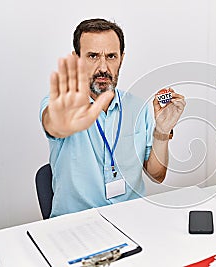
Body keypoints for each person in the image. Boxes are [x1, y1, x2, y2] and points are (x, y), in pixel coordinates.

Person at [39, 18, 186, 217]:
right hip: (76, 224)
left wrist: (162, 131)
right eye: (92, 56)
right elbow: (53, 124)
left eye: (111, 56)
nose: (102, 67)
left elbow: (157, 175)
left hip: (131, 219)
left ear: (121, 59)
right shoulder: (61, 103)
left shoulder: (138, 107)